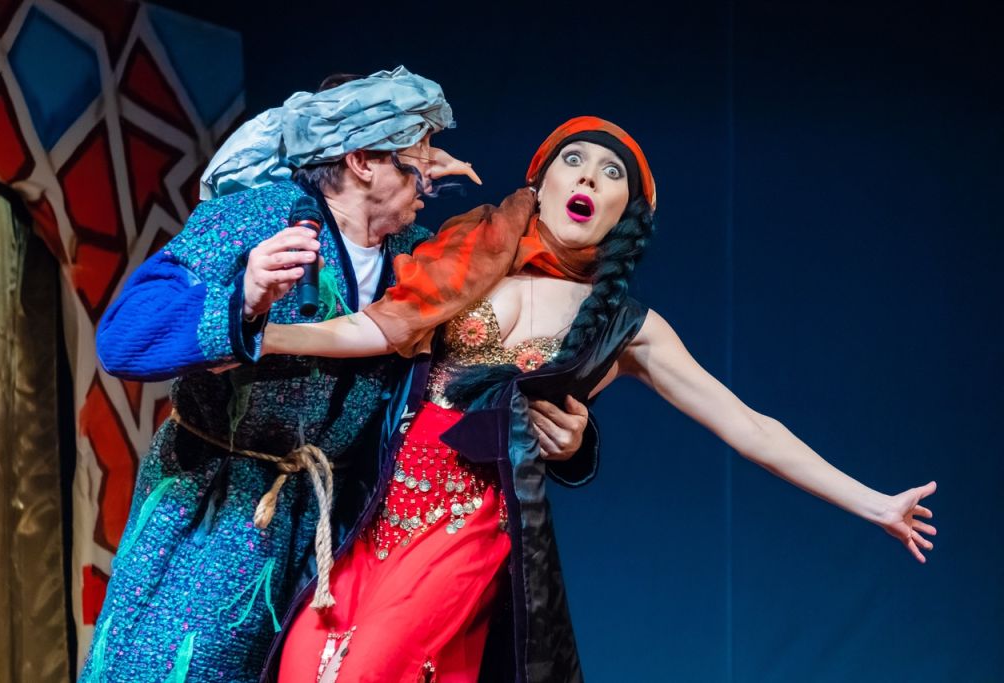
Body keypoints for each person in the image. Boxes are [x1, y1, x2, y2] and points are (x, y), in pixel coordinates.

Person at [260, 116, 938, 683]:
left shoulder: (626, 326)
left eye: (612, 173)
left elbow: (750, 426)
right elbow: (372, 328)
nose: (588, 177)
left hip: (471, 525)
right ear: (540, 182)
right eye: (574, 160)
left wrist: (874, 503)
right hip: (374, 511)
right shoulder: (466, 253)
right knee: (300, 665)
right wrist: (253, 334)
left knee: (367, 670)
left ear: (626, 214)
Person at [80, 68, 594, 683]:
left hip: (339, 532)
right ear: (362, 161)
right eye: (418, 156)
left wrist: (570, 441)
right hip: (216, 513)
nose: (432, 176)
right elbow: (124, 338)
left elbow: (493, 355)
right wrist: (243, 299)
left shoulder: (422, 257)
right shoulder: (258, 219)